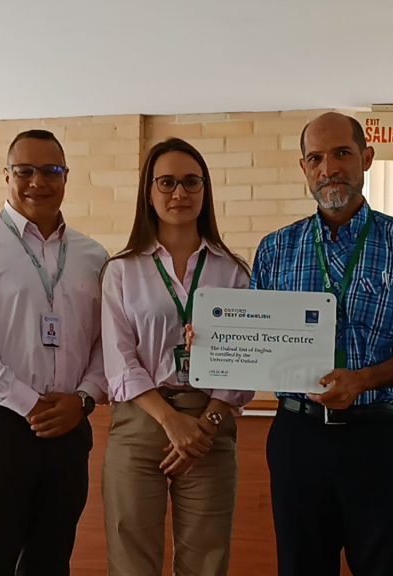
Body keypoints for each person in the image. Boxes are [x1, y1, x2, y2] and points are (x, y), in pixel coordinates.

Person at [250, 112, 393, 576]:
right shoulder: (274, 249)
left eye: (342, 153)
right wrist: (209, 341)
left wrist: (365, 379)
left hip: (379, 439)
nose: (329, 168)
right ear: (304, 168)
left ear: (366, 158)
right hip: (298, 438)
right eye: (316, 158)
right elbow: (253, 340)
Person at [0, 129, 107, 576]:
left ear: (66, 177)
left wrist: (83, 399)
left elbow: (107, 343)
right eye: (25, 171)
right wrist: (28, 402)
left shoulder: (93, 256)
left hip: (69, 424)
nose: (38, 182)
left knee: (51, 561)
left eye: (51, 171)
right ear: (7, 175)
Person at [101, 138, 254, 576]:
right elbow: (119, 360)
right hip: (140, 422)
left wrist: (203, 426)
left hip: (212, 422)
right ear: (148, 192)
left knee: (207, 561)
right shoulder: (122, 270)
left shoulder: (233, 271)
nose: (179, 194)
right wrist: (172, 423)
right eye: (166, 182)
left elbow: (247, 360)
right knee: (131, 560)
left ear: (205, 191)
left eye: (191, 182)